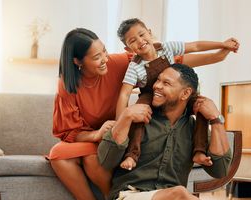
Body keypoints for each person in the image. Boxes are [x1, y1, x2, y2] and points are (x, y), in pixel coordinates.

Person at [48, 28, 235, 200]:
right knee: (60, 153)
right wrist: (120, 121)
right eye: (97, 57)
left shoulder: (119, 62)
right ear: (78, 61)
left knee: (92, 158)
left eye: (104, 51)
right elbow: (70, 130)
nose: (105, 58)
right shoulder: (68, 84)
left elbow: (169, 63)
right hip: (104, 134)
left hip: (117, 133)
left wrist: (219, 55)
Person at [115, 18, 239, 170]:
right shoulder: (134, 67)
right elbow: (124, 95)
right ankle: (132, 155)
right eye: (132, 41)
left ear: (149, 32)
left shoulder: (167, 48)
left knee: (201, 105)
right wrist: (119, 122)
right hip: (150, 94)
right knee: (139, 114)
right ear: (128, 49)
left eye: (141, 35)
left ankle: (199, 151)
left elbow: (195, 46)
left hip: (176, 89)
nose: (140, 41)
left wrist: (223, 44)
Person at [98, 63, 232, 200]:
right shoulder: (138, 117)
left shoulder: (194, 129)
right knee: (179, 193)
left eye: (166, 83)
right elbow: (106, 160)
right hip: (129, 195)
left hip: (169, 197)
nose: (157, 86)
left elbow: (220, 170)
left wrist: (216, 119)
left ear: (185, 93)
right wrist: (125, 117)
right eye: (158, 80)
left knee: (178, 194)